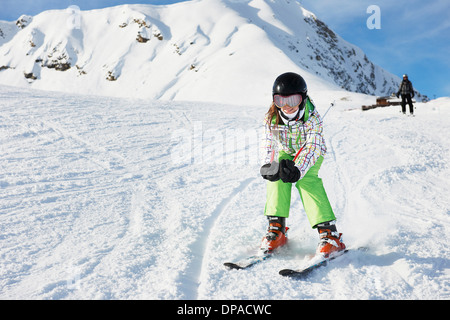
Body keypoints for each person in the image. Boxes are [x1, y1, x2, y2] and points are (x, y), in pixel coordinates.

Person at [259, 72, 345, 258]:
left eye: (293, 100)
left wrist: (299, 169)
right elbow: (269, 144)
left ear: (303, 98)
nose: (287, 106)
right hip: (285, 150)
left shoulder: (312, 117)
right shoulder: (272, 118)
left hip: (310, 152)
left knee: (306, 180)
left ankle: (330, 235)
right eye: (281, 101)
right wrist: (269, 164)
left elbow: (313, 146)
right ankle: (277, 229)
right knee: (277, 177)